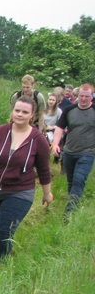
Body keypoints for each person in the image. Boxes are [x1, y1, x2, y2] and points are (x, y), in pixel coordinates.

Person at [0, 96, 53, 263]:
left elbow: (44, 170)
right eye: (17, 110)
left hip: (21, 192)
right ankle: (6, 252)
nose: (20, 114)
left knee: (4, 231)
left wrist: (47, 193)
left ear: (32, 115)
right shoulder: (0, 132)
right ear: (12, 111)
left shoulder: (38, 140)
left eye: (25, 112)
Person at [51, 83, 95, 216]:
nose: (83, 99)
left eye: (86, 96)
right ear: (78, 95)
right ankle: (73, 200)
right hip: (69, 151)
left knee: (79, 179)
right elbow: (59, 128)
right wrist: (55, 144)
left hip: (88, 152)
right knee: (71, 181)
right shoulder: (69, 110)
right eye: (81, 96)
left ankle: (69, 212)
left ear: (91, 97)